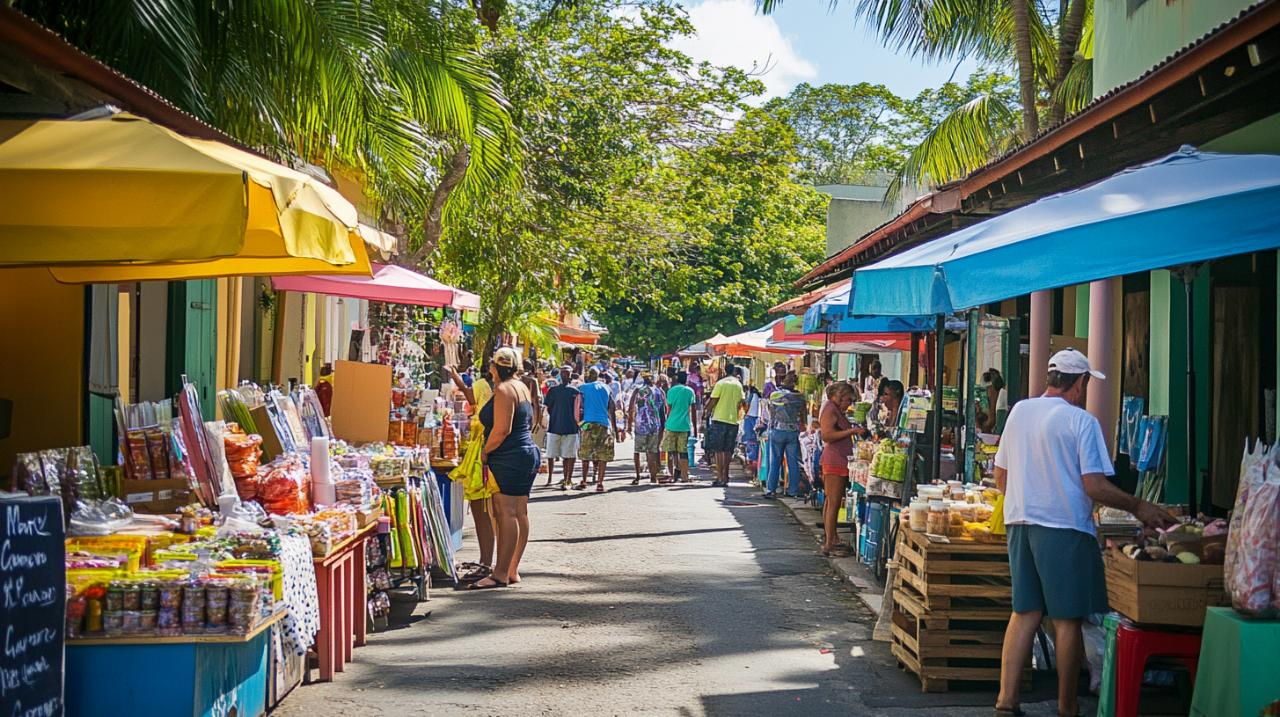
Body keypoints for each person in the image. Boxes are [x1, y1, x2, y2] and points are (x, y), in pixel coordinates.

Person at [993, 349, 1176, 717]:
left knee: (1025, 612)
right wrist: (1139, 506)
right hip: (1063, 527)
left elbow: (1000, 478)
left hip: (1019, 523)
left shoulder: (1020, 411)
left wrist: (1030, 493)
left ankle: (1006, 701)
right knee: (1066, 619)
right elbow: (1094, 485)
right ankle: (1067, 707)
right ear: (1079, 383)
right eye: (1086, 383)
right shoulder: (1081, 421)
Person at [467, 348, 542, 590]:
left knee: (505, 512)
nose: (489, 369)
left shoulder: (503, 389)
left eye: (491, 365)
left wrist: (485, 451)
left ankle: (500, 573)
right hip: (525, 453)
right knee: (520, 512)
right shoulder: (521, 386)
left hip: (508, 456)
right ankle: (511, 569)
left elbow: (501, 429)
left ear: (496, 367)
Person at [446, 363, 499, 583]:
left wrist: (456, 376)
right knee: (496, 513)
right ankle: (493, 562)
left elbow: (469, 397)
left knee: (483, 511)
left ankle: (488, 562)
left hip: (483, 454)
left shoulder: (482, 386)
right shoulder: (510, 389)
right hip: (493, 453)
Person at [819, 381, 866, 556]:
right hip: (834, 461)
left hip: (838, 459)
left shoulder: (835, 409)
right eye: (848, 399)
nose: (849, 404)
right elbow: (827, 435)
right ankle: (829, 543)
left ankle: (832, 537)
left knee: (831, 501)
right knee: (833, 502)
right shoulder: (830, 409)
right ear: (839, 396)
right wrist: (852, 432)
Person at [575, 367, 621, 492]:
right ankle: (600, 483)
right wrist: (615, 430)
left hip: (588, 424)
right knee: (602, 456)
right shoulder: (607, 387)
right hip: (604, 424)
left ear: (588, 377)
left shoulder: (583, 388)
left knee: (585, 454)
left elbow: (579, 407)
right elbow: (611, 408)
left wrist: (578, 424)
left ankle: (584, 481)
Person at [765, 372, 807, 499]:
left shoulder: (775, 395)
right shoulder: (800, 397)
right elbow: (803, 416)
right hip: (792, 431)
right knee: (793, 462)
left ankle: (771, 489)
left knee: (775, 462)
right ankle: (792, 490)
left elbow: (771, 413)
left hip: (777, 430)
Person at [704, 366, 746, 487]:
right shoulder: (738, 385)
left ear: (724, 372)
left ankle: (719, 476)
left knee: (718, 450)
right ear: (733, 372)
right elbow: (742, 403)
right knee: (728, 450)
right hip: (733, 421)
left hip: (719, 419)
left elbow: (713, 401)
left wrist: (706, 412)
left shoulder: (721, 383)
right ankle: (726, 476)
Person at [542, 366, 581, 490]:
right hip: (554, 426)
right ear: (560, 375)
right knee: (551, 454)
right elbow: (547, 408)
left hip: (571, 427)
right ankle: (550, 479)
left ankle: (567, 479)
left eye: (567, 373)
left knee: (568, 455)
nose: (565, 376)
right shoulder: (553, 390)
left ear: (570, 376)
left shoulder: (575, 391)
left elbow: (579, 410)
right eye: (563, 373)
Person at [628, 373, 666, 485]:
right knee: (652, 451)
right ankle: (653, 477)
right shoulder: (660, 391)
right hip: (655, 425)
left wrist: (629, 425)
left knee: (637, 451)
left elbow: (631, 409)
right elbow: (663, 410)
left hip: (641, 425)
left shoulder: (638, 390)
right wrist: (663, 426)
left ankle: (638, 476)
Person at [661, 371, 698, 483]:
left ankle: (672, 474)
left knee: (671, 451)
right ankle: (684, 475)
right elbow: (693, 410)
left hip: (671, 425)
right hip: (684, 426)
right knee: (683, 451)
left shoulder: (671, 391)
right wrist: (695, 428)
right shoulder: (690, 391)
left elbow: (668, 410)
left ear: (676, 379)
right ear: (686, 380)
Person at [521, 359, 546, 473]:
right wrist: (537, 421)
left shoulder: (514, 379)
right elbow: (536, 402)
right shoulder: (532, 381)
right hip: (529, 413)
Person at [741, 383, 763, 470]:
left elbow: (746, 406)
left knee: (750, 440)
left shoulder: (751, 395)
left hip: (750, 417)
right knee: (754, 440)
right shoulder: (757, 396)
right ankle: (754, 460)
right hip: (755, 417)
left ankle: (752, 460)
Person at [981, 368, 1009, 434]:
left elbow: (991, 421)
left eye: (987, 389)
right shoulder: (1001, 394)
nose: (987, 393)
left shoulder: (1000, 397)